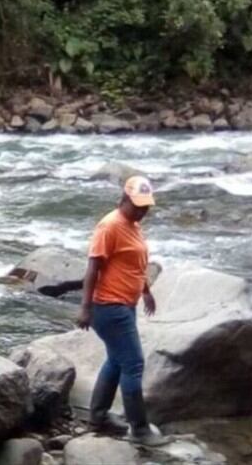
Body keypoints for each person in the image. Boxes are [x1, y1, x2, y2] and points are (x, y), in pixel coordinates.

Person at [75, 176, 170, 446]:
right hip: (107, 306)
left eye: (146, 206)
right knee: (133, 363)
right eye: (138, 205)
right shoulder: (110, 226)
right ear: (124, 199)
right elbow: (93, 268)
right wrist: (85, 307)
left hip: (124, 304)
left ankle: (99, 418)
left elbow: (133, 264)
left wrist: (146, 291)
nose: (143, 210)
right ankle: (139, 430)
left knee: (116, 361)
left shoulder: (133, 225)